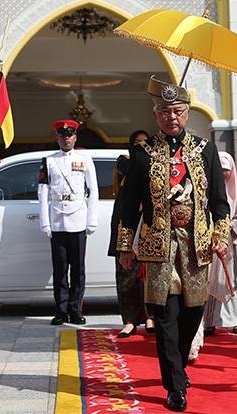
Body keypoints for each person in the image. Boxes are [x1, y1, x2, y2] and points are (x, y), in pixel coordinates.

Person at [116, 76, 229, 412]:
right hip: (158, 246)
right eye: (165, 112)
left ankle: (177, 366)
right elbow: (127, 205)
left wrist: (220, 236)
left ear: (187, 112)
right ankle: (175, 386)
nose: (172, 117)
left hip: (196, 246)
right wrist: (125, 247)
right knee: (164, 316)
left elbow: (218, 202)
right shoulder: (142, 153)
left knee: (193, 313)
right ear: (156, 115)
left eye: (178, 111)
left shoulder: (205, 148)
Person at [188, 151, 237, 361]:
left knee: (236, 281)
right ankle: (209, 322)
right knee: (209, 283)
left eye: (227, 172)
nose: (225, 175)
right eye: (221, 171)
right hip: (211, 240)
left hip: (233, 241)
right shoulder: (208, 183)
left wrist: (231, 229)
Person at [38, 119, 99, 325]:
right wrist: (45, 223)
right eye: (62, 135)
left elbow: (93, 191)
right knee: (60, 268)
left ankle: (76, 310)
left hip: (78, 218)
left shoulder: (85, 159)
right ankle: (61, 310)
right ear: (57, 137)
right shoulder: (48, 160)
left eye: (70, 135)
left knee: (78, 270)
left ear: (75, 137)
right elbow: (43, 192)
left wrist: (92, 220)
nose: (66, 138)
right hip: (57, 219)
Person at [110, 128, 151, 338]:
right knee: (126, 276)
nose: (140, 146)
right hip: (125, 225)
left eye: (145, 143)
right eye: (136, 142)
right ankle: (129, 321)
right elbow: (132, 169)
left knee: (147, 275)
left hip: (147, 226)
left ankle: (150, 317)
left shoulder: (156, 165)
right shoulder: (124, 162)